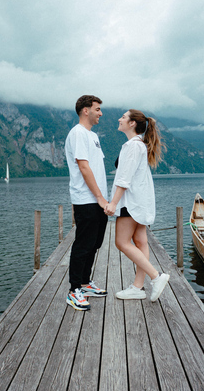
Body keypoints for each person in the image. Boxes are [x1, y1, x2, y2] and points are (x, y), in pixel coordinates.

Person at [105, 109, 170, 302]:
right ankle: (138, 287)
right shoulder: (138, 145)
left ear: (132, 123)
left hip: (130, 202)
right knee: (141, 242)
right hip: (139, 201)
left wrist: (113, 203)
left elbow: (124, 179)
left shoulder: (133, 146)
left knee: (121, 242)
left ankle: (156, 277)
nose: (119, 119)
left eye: (123, 117)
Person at [64, 95, 109, 311]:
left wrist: (103, 198)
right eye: (98, 109)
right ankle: (74, 291)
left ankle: (84, 283)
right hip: (86, 199)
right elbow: (83, 167)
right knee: (83, 244)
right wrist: (99, 197)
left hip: (98, 200)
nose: (101, 113)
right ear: (85, 110)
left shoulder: (92, 135)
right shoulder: (78, 133)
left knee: (95, 243)